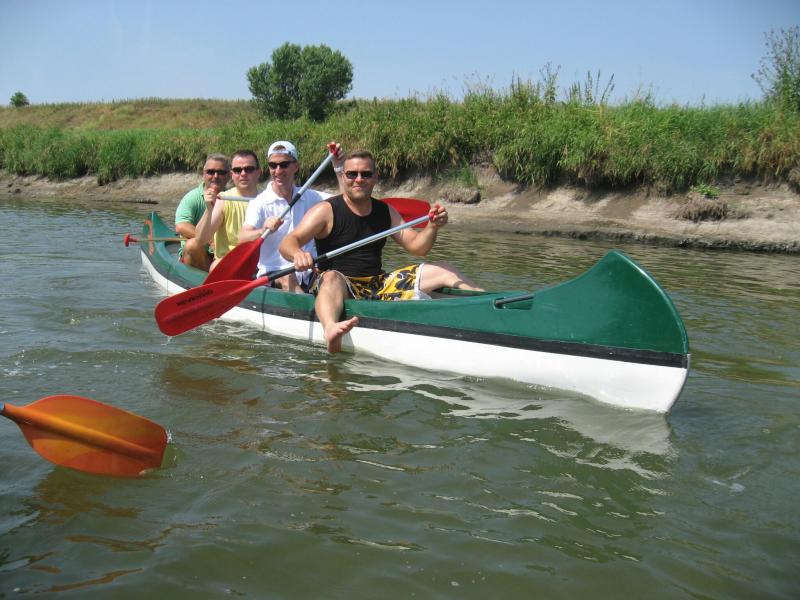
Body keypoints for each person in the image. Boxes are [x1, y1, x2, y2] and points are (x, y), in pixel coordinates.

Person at [279, 149, 483, 353]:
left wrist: (432, 227)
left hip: (377, 284)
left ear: (375, 177)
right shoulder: (325, 210)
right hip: (339, 284)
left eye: (366, 174)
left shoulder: (385, 211)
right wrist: (297, 254)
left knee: (444, 269)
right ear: (343, 176)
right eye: (352, 174)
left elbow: (417, 247)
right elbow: (288, 242)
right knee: (331, 277)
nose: (359, 179)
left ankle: (488, 303)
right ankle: (331, 328)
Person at [240, 140, 339, 291]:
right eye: (273, 165)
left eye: (284, 165)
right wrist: (263, 230)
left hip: (309, 271)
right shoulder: (259, 203)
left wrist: (338, 166)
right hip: (274, 273)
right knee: (288, 278)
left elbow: (344, 200)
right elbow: (242, 237)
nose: (278, 170)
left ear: (296, 166)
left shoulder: (311, 196)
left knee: (333, 276)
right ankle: (306, 304)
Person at [193, 149, 261, 272]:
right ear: (232, 174)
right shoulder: (224, 199)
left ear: (258, 173)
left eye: (249, 169)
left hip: (261, 264)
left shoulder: (267, 200)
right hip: (230, 264)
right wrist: (209, 210)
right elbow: (200, 240)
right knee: (215, 266)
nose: (243, 174)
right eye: (237, 170)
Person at [175, 154, 230, 271]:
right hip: (198, 253)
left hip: (222, 254)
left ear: (229, 175)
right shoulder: (192, 197)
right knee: (192, 245)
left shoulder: (232, 197)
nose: (216, 176)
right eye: (211, 172)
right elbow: (181, 226)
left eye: (221, 172)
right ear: (203, 174)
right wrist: (210, 240)